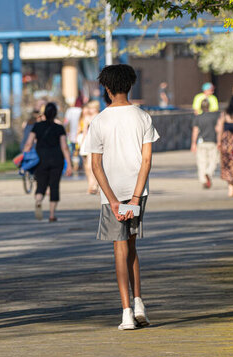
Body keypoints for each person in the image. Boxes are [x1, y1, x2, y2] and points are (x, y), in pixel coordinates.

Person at [85, 64, 159, 330]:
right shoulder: (143, 117)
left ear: (106, 88)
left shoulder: (99, 120)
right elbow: (147, 160)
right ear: (131, 85)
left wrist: (113, 200)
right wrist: (136, 197)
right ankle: (139, 302)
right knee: (132, 245)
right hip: (138, 192)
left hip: (111, 194)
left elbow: (95, 165)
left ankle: (126, 311)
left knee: (119, 248)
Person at [22, 102, 72, 222]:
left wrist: (25, 157)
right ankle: (51, 214)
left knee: (41, 184)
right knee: (54, 186)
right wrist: (69, 164)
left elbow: (28, 143)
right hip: (56, 160)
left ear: (44, 113)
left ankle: (38, 200)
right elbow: (64, 146)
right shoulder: (59, 128)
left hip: (40, 159)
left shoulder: (37, 126)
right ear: (55, 114)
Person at [191, 99, 220, 189]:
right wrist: (219, 141)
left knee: (201, 162)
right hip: (212, 141)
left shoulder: (198, 117)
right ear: (209, 106)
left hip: (201, 141)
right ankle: (209, 172)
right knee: (214, 161)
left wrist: (193, 143)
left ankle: (203, 180)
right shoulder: (215, 116)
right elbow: (218, 129)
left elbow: (195, 131)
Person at [78, 100, 101, 194]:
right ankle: (91, 184)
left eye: (91, 108)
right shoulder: (87, 118)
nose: (89, 109)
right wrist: (81, 144)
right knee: (88, 166)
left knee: (94, 165)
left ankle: (95, 185)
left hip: (97, 143)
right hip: (88, 142)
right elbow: (84, 132)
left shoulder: (100, 117)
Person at [64, 98, 84, 174]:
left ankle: (72, 165)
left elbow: (66, 122)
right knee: (80, 151)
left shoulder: (70, 110)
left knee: (72, 151)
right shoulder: (82, 110)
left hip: (72, 135)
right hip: (80, 135)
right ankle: (80, 165)